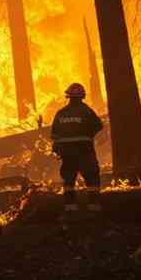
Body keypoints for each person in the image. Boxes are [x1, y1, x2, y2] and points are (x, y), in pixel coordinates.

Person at [50, 83, 104, 213]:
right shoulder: (86, 111)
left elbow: (54, 134)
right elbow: (98, 125)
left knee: (69, 178)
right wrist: (88, 135)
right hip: (84, 149)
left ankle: (70, 207)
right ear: (82, 96)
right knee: (91, 175)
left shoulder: (61, 113)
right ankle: (94, 205)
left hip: (67, 152)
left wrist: (58, 148)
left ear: (68, 96)